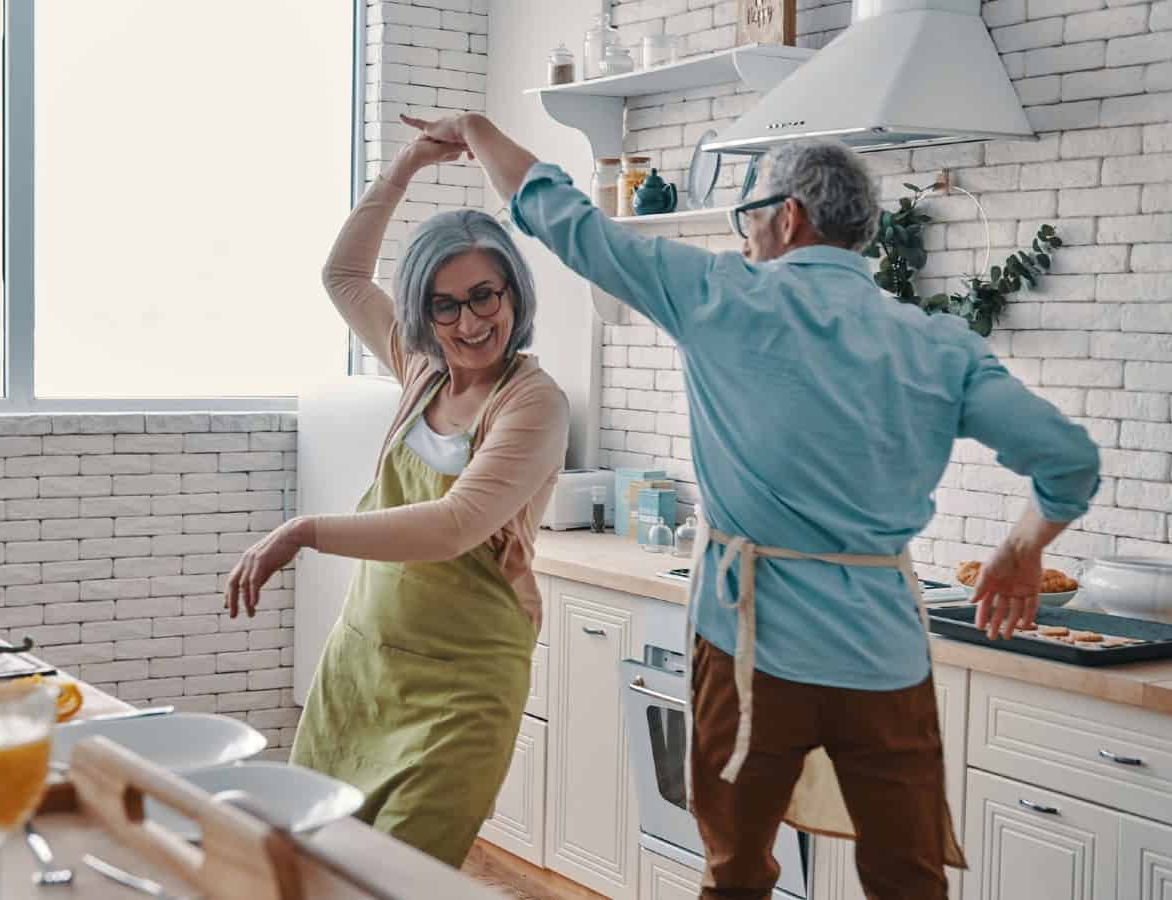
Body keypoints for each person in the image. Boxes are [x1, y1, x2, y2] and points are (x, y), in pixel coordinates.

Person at [401, 112, 1100, 899]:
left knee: (735, 874)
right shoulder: (937, 344)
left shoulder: (718, 295)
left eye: (748, 216)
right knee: (908, 880)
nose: (742, 238)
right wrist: (1022, 548)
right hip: (884, 660)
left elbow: (564, 217)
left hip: (746, 649)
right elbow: (1070, 464)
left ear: (788, 216)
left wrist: (477, 130)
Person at [223, 133, 569, 868]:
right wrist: (406, 167)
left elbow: (455, 526)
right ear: (423, 313)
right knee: (310, 864)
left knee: (393, 878)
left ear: (513, 293)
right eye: (445, 306)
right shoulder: (422, 369)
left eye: (485, 296)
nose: (470, 323)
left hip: (461, 691)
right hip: (362, 668)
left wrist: (305, 531)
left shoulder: (532, 403)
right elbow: (344, 274)